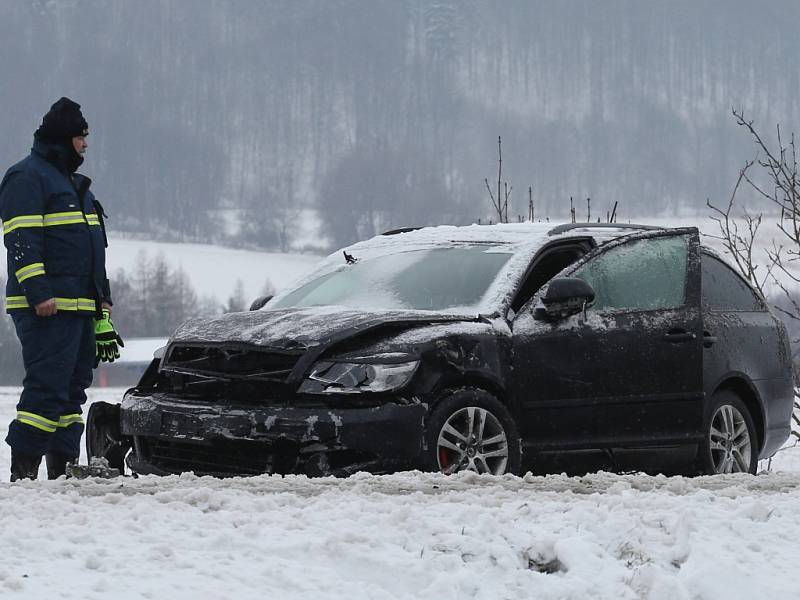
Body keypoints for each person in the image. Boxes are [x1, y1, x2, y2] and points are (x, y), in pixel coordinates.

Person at [1, 97, 123, 481]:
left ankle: (62, 472)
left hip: (80, 309)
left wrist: (102, 305)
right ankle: (23, 476)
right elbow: (21, 241)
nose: (86, 145)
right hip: (47, 310)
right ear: (64, 138)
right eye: (81, 137)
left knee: (71, 395)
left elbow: (92, 252)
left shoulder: (78, 188)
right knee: (47, 390)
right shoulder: (27, 178)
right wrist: (39, 294)